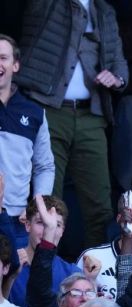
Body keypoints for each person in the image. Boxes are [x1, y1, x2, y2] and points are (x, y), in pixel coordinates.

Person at [15, 0, 128, 248]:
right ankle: (43, 271)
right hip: (50, 112)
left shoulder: (105, 10)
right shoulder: (49, 4)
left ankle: (96, 277)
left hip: (92, 115)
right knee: (47, 203)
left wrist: (116, 78)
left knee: (100, 207)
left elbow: (119, 63)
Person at [0, 34, 54, 247]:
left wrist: (35, 208)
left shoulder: (34, 113)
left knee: (18, 280)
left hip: (18, 221)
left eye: (3, 58)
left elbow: (45, 166)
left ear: (16, 65)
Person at [8, 196, 80, 307]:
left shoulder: (72, 274)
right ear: (27, 225)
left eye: (56, 225)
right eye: (41, 222)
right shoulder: (7, 265)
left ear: (62, 231)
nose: (48, 230)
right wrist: (9, 278)